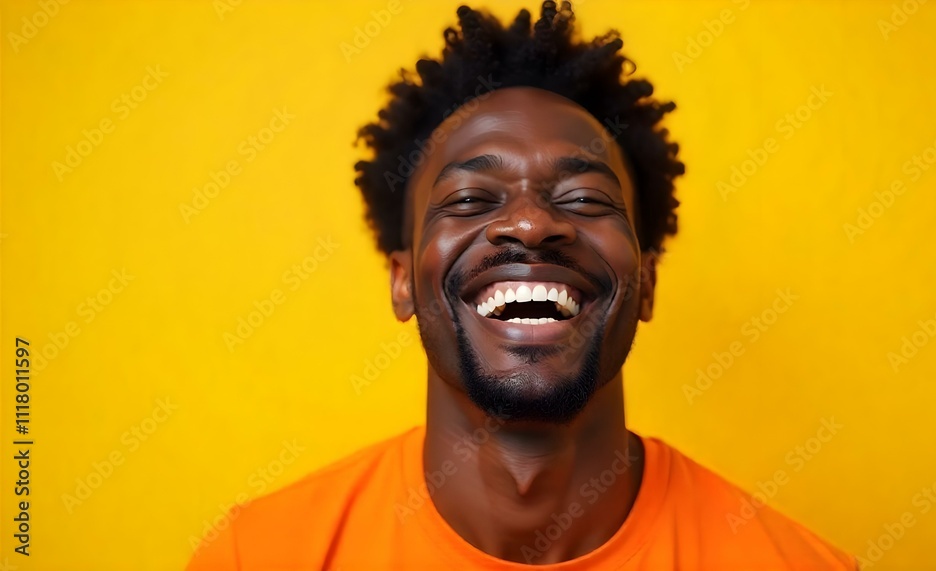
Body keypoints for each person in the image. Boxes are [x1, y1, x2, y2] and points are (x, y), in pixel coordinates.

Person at [187, 2, 857, 569]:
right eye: (473, 197)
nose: (532, 222)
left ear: (646, 281)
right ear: (401, 279)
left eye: (586, 196)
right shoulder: (260, 554)